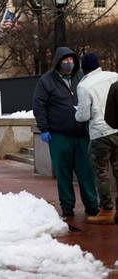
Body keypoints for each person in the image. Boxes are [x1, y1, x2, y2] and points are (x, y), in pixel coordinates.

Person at [33, 46, 99, 218]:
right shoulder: (46, 81)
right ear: (58, 61)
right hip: (59, 135)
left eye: (71, 60)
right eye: (66, 60)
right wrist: (44, 128)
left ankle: (92, 205)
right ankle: (67, 206)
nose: (69, 63)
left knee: (86, 172)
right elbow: (39, 105)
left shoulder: (80, 77)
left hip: (82, 134)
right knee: (63, 174)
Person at [74, 53, 118, 224]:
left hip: (100, 133)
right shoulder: (114, 76)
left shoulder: (84, 85)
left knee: (102, 173)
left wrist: (76, 113)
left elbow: (84, 115)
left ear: (83, 68)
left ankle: (106, 210)